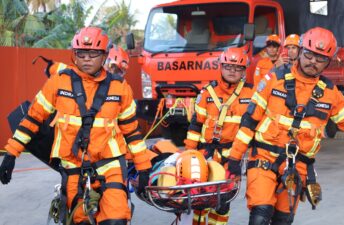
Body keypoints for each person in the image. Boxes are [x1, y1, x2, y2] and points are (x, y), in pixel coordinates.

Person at [227, 27, 344, 225]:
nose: (313, 62)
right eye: (309, 55)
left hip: (297, 168)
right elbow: (250, 121)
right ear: (300, 51)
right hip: (264, 160)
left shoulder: (330, 94)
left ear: (328, 62)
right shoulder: (273, 80)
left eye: (320, 59)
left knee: (283, 220)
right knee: (260, 215)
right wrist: (235, 159)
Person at [0, 27, 151, 225]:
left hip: (110, 165)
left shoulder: (120, 88)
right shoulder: (58, 83)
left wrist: (144, 168)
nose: (87, 59)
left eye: (93, 54)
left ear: (104, 55)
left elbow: (132, 133)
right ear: (74, 55)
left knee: (116, 220)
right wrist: (11, 155)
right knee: (79, 221)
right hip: (73, 168)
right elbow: (32, 119)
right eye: (81, 54)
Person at [184, 47, 254, 225]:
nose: (232, 71)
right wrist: (189, 155)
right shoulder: (207, 93)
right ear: (221, 67)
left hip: (231, 158)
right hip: (204, 155)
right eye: (229, 66)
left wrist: (240, 160)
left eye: (238, 68)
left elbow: (253, 129)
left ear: (244, 71)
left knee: (223, 202)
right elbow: (195, 125)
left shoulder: (250, 95)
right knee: (201, 201)